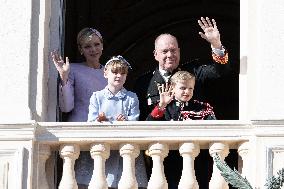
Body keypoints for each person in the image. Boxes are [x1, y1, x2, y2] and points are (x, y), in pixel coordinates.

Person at [133, 17, 229, 121]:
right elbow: (141, 119)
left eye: (173, 50)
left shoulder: (193, 71)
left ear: (179, 52)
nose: (170, 55)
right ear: (156, 54)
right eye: (165, 51)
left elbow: (220, 71)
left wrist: (216, 44)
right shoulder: (143, 82)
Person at [51, 28, 108, 189]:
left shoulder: (110, 72)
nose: (93, 49)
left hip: (105, 135)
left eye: (97, 44)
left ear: (102, 46)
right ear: (80, 49)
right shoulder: (73, 69)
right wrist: (64, 77)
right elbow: (66, 106)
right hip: (80, 134)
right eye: (87, 46)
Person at [88, 55, 148, 188]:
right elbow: (90, 121)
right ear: (105, 73)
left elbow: (135, 120)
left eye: (123, 73)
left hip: (125, 148)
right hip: (104, 148)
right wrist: (99, 120)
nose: (118, 76)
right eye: (114, 72)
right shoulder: (97, 97)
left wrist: (126, 121)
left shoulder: (131, 98)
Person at [146, 71, 216, 121]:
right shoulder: (165, 108)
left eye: (190, 88)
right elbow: (149, 126)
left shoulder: (202, 108)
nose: (187, 91)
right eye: (183, 88)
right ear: (172, 88)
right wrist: (161, 105)